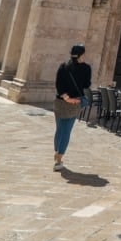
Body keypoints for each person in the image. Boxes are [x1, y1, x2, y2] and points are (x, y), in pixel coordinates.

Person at [53, 44, 92, 172]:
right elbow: (86, 85)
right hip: (74, 102)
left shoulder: (63, 67)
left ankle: (57, 152)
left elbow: (58, 85)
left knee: (59, 129)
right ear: (81, 55)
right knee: (66, 130)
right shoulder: (86, 68)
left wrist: (65, 97)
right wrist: (70, 99)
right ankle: (59, 158)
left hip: (60, 102)